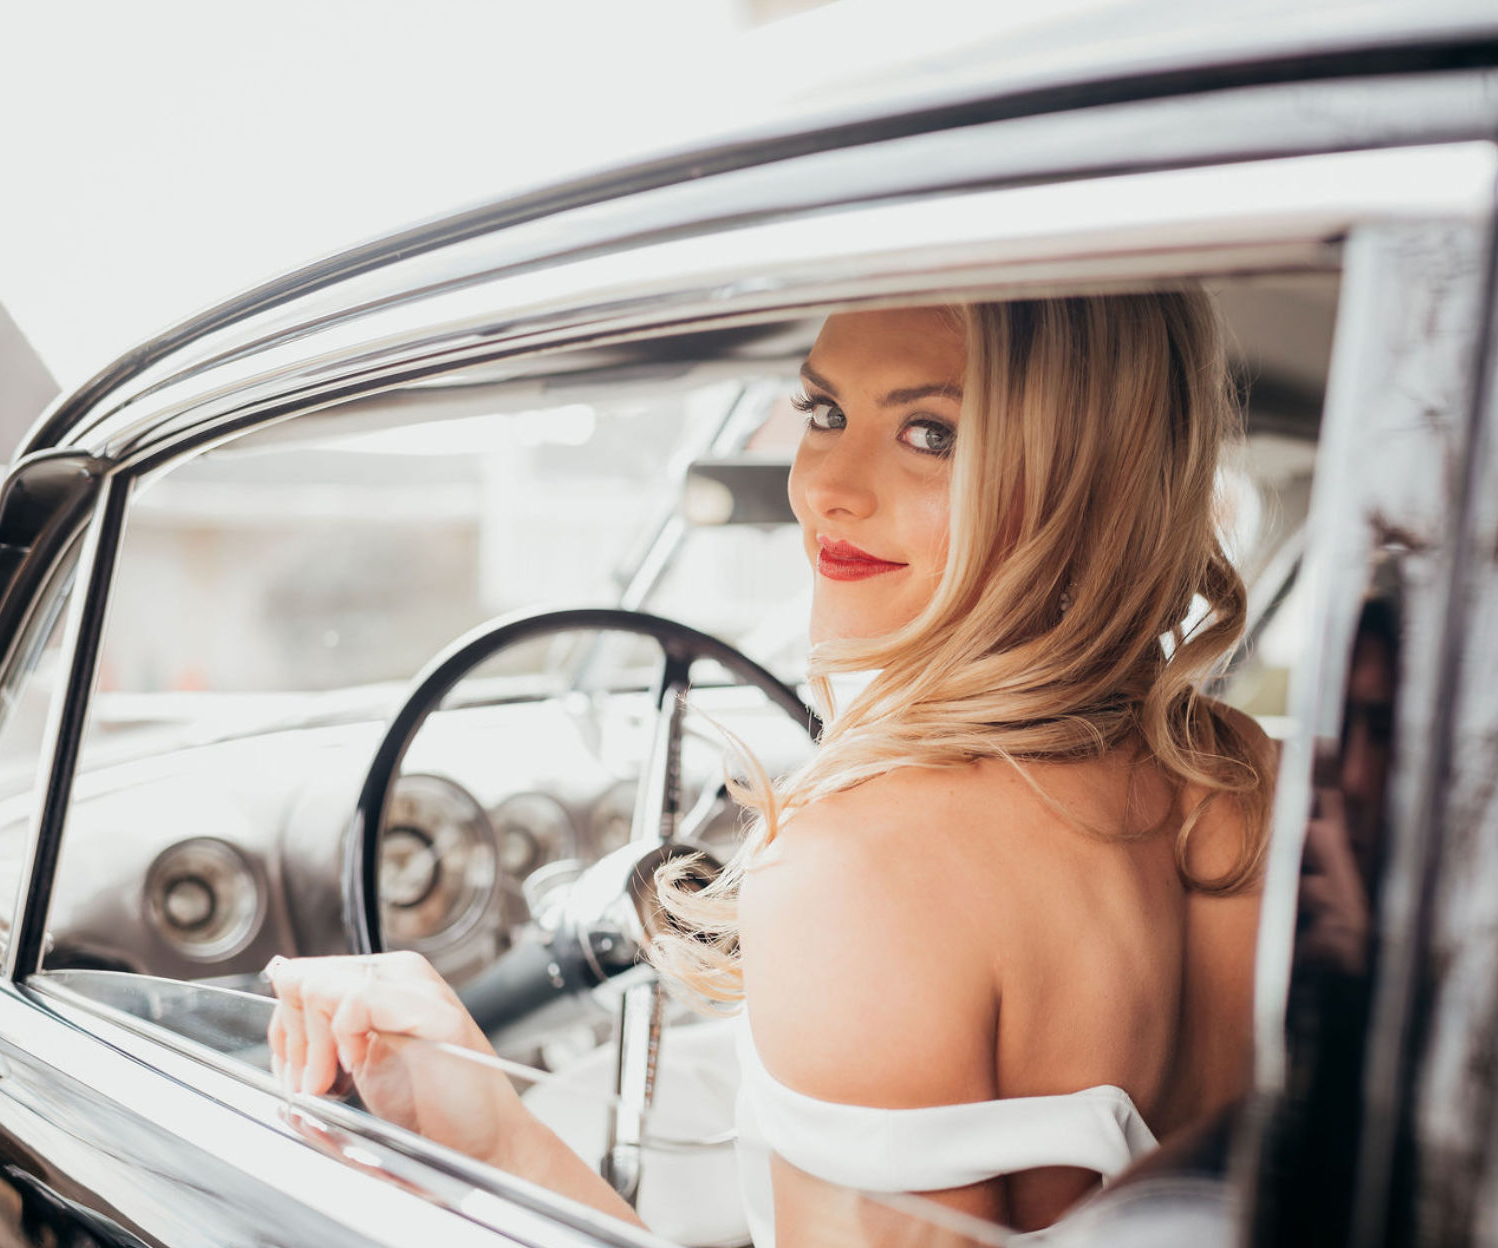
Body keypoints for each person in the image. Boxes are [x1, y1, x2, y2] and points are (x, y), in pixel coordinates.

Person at [267, 292, 1273, 1246]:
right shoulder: (1260, 785)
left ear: (1092, 476)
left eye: (933, 432)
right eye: (824, 411)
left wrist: (502, 1138)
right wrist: (488, 1136)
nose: (823, 488)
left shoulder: (861, 873)